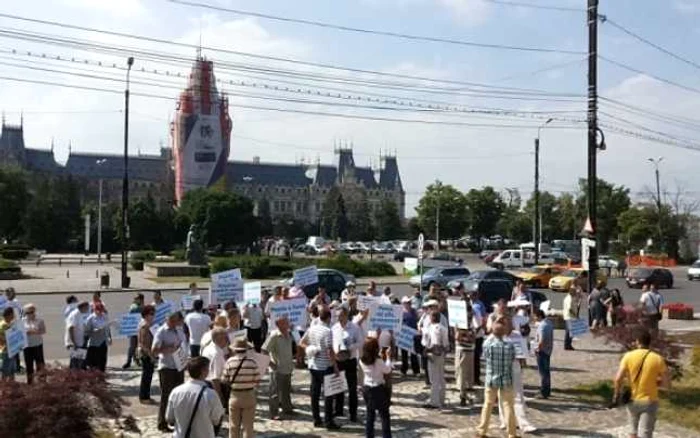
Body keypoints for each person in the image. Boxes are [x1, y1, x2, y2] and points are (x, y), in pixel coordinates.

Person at [613, 329, 670, 438]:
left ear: (638, 341)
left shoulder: (628, 356)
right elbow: (666, 384)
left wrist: (616, 394)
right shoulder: (657, 359)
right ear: (649, 342)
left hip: (632, 399)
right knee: (645, 433)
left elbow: (617, 379)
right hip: (649, 400)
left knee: (633, 431)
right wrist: (657, 384)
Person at [299, 307, 341, 430]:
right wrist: (335, 366)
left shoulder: (311, 328)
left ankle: (316, 419)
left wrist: (310, 348)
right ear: (328, 318)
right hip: (325, 367)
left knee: (315, 394)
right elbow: (329, 351)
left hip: (313, 365)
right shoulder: (328, 331)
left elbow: (301, 342)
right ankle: (329, 421)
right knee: (328, 395)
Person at [476, 318, 517, 438]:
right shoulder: (510, 345)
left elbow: (485, 356)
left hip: (491, 378)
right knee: (508, 405)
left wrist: (493, 330)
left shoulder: (488, 344)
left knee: (488, 404)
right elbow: (513, 359)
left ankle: (482, 430)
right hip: (506, 378)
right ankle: (512, 433)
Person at [166, 356, 225, 438]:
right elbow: (216, 420)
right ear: (203, 371)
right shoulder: (210, 394)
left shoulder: (175, 392)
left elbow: (169, 418)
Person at [498, 319, 536, 433]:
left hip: (515, 366)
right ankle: (505, 420)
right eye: (506, 324)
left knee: (518, 395)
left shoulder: (518, 335)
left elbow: (523, 351)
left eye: (510, 324)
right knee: (502, 395)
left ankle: (523, 423)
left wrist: (523, 362)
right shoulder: (499, 337)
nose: (508, 327)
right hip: (502, 367)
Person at [152, 311, 187, 433]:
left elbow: (183, 345)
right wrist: (169, 349)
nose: (176, 323)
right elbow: (154, 350)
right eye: (174, 321)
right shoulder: (161, 331)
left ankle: (175, 421)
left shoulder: (179, 330)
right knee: (166, 396)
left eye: (177, 321)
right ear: (169, 320)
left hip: (179, 366)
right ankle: (162, 423)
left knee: (179, 396)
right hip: (167, 367)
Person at [222, 339, 261, 438]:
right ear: (246, 349)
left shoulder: (229, 362)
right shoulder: (252, 362)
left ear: (234, 350)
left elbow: (224, 380)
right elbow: (257, 380)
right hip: (249, 395)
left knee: (234, 426)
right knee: (248, 427)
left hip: (235, 395)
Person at [332, 307, 362, 422]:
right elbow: (333, 341)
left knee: (352, 388)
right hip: (339, 360)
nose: (338, 318)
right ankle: (338, 410)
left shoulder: (354, 327)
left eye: (340, 315)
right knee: (339, 386)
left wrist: (350, 347)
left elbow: (360, 342)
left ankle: (353, 413)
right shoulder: (334, 327)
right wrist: (336, 351)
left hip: (350, 360)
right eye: (337, 316)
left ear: (346, 315)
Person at [262, 315, 295, 420]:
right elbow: (264, 350)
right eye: (285, 322)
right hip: (277, 369)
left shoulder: (289, 334)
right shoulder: (274, 336)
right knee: (274, 393)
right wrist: (271, 364)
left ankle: (287, 408)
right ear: (278, 325)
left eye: (287, 321)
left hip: (287, 367)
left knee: (286, 390)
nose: (288, 323)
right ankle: (273, 413)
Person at [360, 337, 392, 438]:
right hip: (378, 389)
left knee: (370, 415)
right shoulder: (378, 361)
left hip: (367, 388)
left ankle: (369, 435)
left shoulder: (362, 360)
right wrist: (388, 357)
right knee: (384, 415)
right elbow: (387, 370)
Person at [422, 310, 449, 409]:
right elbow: (446, 345)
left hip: (433, 354)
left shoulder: (433, 328)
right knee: (441, 377)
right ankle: (442, 398)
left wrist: (427, 350)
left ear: (432, 318)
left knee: (434, 379)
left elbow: (435, 343)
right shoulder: (444, 328)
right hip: (441, 354)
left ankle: (434, 402)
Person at [455, 297, 476, 406]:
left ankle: (466, 393)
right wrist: (466, 335)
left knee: (468, 373)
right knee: (462, 373)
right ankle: (462, 395)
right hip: (463, 349)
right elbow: (457, 337)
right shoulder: (460, 322)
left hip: (470, 349)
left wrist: (468, 335)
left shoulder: (471, 321)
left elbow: (473, 336)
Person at [202, 327, 230, 404]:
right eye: (226, 338)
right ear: (220, 340)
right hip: (216, 387)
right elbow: (215, 379)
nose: (228, 341)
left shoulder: (208, 347)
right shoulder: (217, 354)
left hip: (207, 384)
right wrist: (220, 398)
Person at [137, 304, 157, 404]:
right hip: (146, 354)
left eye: (154, 313)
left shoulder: (151, 325)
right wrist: (151, 356)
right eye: (151, 314)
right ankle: (143, 397)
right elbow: (144, 344)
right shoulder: (144, 326)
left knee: (149, 375)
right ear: (145, 315)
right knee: (146, 375)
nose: (153, 316)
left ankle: (147, 396)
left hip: (150, 353)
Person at [22, 303, 46, 384]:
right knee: (29, 365)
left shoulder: (40, 320)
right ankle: (30, 382)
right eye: (28, 313)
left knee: (40, 364)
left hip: (37, 344)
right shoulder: (22, 321)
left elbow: (43, 331)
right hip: (27, 346)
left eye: (31, 312)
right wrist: (26, 332)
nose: (30, 314)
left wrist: (35, 332)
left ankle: (42, 381)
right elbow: (19, 333)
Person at [85, 302, 111, 372]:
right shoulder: (90, 318)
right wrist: (94, 331)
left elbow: (107, 328)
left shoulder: (105, 316)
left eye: (101, 310)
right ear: (94, 310)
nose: (100, 312)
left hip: (103, 342)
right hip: (94, 343)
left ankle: (102, 376)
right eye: (98, 310)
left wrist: (109, 337)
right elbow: (86, 332)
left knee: (102, 362)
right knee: (93, 363)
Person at [533, 309, 553, 399]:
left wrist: (537, 349)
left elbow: (541, 340)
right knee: (547, 371)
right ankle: (547, 390)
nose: (534, 318)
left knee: (543, 372)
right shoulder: (549, 323)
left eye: (535, 316)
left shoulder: (542, 326)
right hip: (548, 350)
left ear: (539, 316)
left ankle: (544, 391)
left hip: (542, 351)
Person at [470, 288, 487, 386]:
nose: (471, 297)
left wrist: (476, 331)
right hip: (471, 334)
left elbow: (482, 320)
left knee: (476, 357)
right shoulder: (470, 304)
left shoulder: (479, 305)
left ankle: (476, 378)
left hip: (477, 335)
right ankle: (471, 377)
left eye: (473, 295)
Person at [65, 301, 90, 369]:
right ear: (83, 307)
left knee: (80, 361)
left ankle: (79, 374)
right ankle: (74, 375)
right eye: (87, 308)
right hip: (76, 343)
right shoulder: (75, 314)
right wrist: (74, 342)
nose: (88, 309)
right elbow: (70, 328)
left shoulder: (80, 314)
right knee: (75, 363)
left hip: (80, 341)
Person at [400, 296, 420, 376]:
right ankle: (404, 370)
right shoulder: (401, 312)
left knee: (414, 354)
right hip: (404, 336)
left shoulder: (414, 311)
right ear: (403, 303)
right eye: (406, 302)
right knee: (404, 354)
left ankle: (416, 370)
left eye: (409, 302)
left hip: (413, 335)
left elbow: (418, 321)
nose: (408, 304)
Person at [123, 293, 144, 369]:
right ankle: (128, 361)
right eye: (134, 298)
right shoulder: (133, 306)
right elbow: (132, 311)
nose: (134, 300)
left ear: (141, 299)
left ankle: (137, 360)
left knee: (140, 346)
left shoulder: (143, 307)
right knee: (132, 346)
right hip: (133, 329)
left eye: (136, 298)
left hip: (141, 330)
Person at [562, 286, 582, 350]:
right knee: (569, 332)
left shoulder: (571, 298)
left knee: (570, 332)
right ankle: (567, 345)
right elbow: (569, 309)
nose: (575, 293)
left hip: (570, 316)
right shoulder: (569, 299)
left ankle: (568, 345)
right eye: (574, 292)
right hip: (569, 316)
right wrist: (575, 315)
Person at [0, 307, 17, 381]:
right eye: (13, 314)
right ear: (9, 315)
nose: (14, 315)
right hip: (6, 351)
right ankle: (4, 389)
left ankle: (11, 388)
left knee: (11, 372)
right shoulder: (4, 325)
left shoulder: (9, 323)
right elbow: (2, 338)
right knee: (6, 372)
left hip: (11, 350)